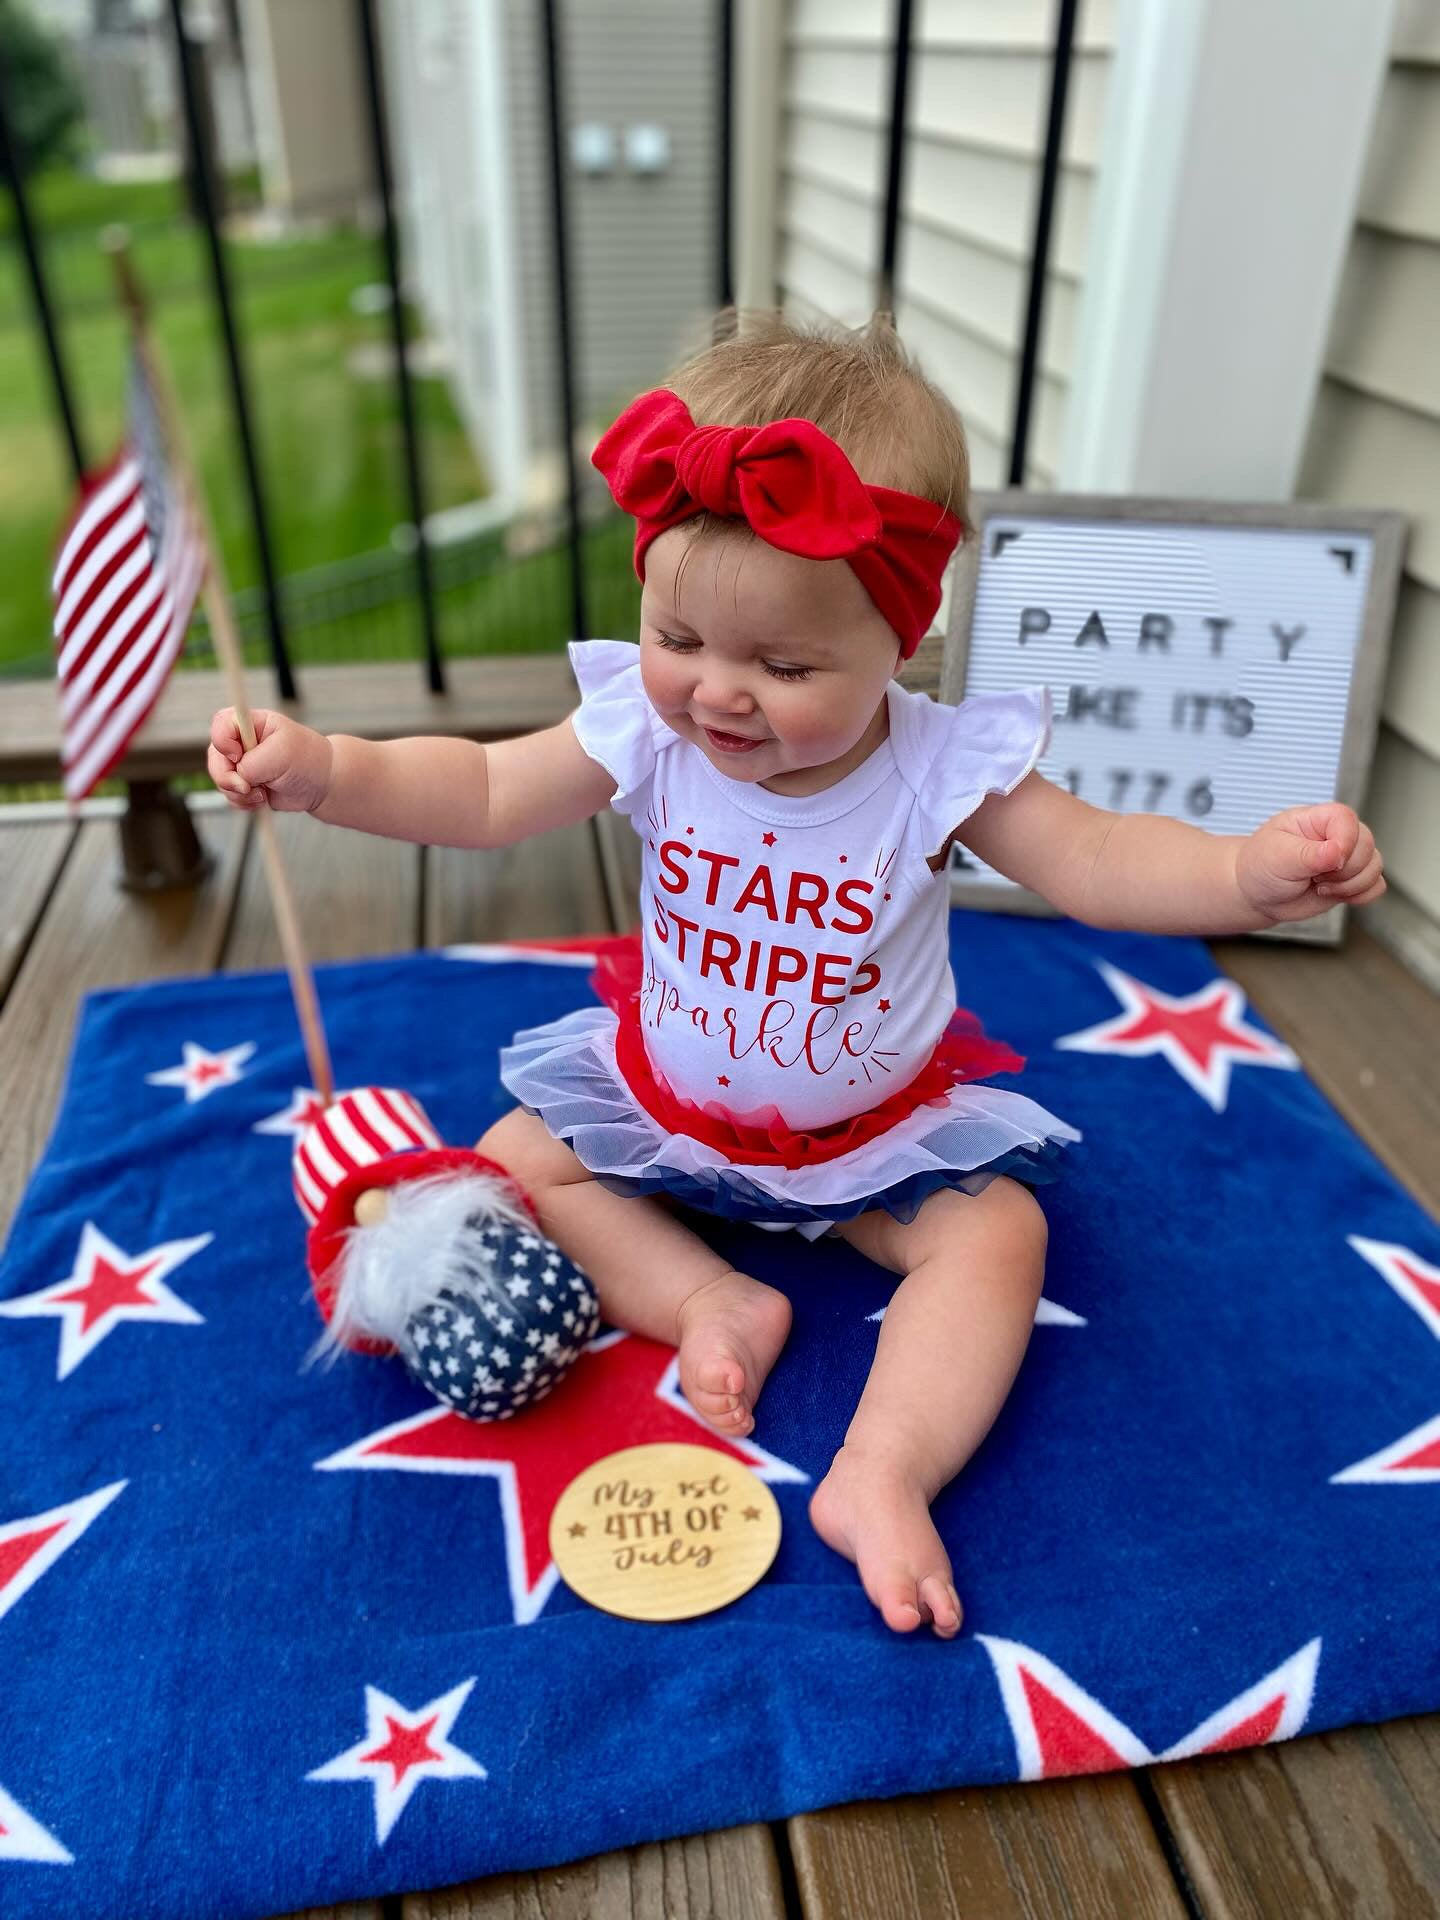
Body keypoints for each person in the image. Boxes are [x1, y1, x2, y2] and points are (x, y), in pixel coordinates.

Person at [208, 314, 1387, 1641]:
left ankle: (883, 1469)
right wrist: (330, 772)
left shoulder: (935, 766)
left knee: (998, 1235)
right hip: (667, 1108)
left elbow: (1097, 857)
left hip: (871, 1138)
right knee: (517, 1155)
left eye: (783, 665)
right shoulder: (643, 736)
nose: (720, 694)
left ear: (902, 639)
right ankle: (711, 1298)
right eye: (679, 637)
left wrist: (1240, 878)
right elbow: (480, 787)